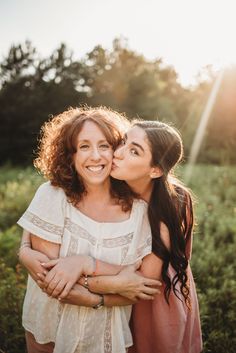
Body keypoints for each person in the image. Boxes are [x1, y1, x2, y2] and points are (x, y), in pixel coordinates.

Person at [20, 115, 202, 352]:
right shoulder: (112, 181)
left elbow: (142, 281)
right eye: (123, 142)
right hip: (121, 293)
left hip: (155, 293)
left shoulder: (171, 203)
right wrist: (24, 248)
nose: (118, 153)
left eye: (134, 151)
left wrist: (85, 266)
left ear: (155, 170)